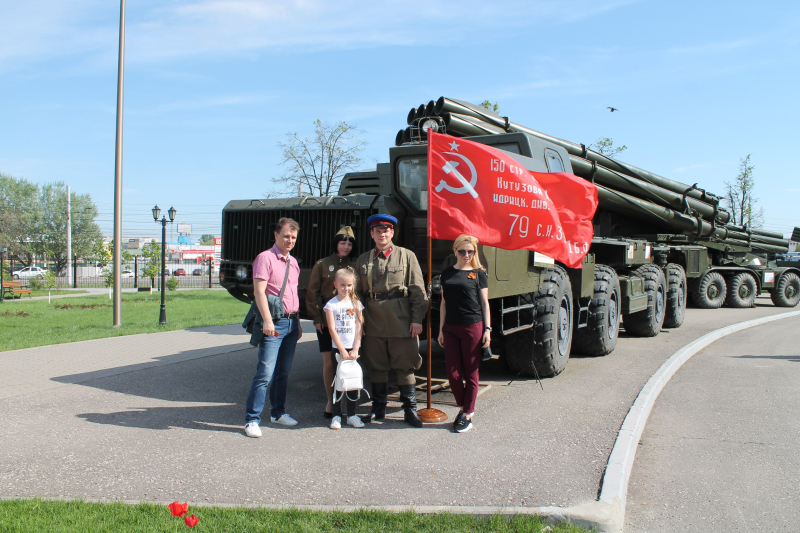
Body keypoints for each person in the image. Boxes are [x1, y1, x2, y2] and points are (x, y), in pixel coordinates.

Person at [355, 214, 428, 428]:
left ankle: (409, 410)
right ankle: (378, 410)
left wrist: (417, 319)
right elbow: (357, 295)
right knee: (377, 366)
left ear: (392, 232)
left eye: (386, 230)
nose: (382, 234)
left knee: (405, 366)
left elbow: (418, 291)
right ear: (372, 234)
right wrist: (359, 323)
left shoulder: (407, 256)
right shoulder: (363, 259)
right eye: (378, 231)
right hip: (374, 321)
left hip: (402, 320)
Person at [244, 217, 303, 438]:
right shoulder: (265, 258)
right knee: (265, 372)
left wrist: (297, 323)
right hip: (274, 324)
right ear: (276, 235)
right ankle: (252, 419)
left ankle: (278, 413)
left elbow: (293, 294)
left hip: (290, 322)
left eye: (293, 237)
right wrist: (267, 321)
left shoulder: (293, 262)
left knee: (283, 373)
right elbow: (259, 292)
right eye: (286, 236)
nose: (289, 240)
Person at [437, 234, 490, 433]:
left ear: (474, 252)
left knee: (471, 372)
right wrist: (442, 329)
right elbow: (443, 303)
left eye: (470, 251)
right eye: (462, 251)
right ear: (455, 251)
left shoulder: (478, 274)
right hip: (450, 328)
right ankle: (462, 407)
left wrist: (487, 329)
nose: (466, 255)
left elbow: (485, 304)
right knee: (453, 374)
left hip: (472, 327)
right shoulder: (447, 273)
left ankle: (467, 413)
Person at [306, 226, 356, 419]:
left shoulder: (353, 267)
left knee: (347, 362)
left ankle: (348, 401)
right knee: (329, 364)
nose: (346, 246)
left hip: (347, 323)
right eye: (342, 242)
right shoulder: (322, 264)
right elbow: (313, 293)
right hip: (327, 321)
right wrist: (317, 318)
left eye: (349, 243)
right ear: (336, 243)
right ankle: (331, 400)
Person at [323, 268, 365, 429]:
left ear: (353, 286)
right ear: (335, 284)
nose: (345, 288)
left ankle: (352, 415)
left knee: (352, 381)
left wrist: (355, 349)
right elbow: (332, 329)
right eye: (342, 285)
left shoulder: (356, 304)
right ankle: (336, 415)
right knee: (338, 382)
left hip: (353, 349)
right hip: (338, 350)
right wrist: (341, 350)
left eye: (349, 285)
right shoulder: (331, 305)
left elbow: (359, 326)